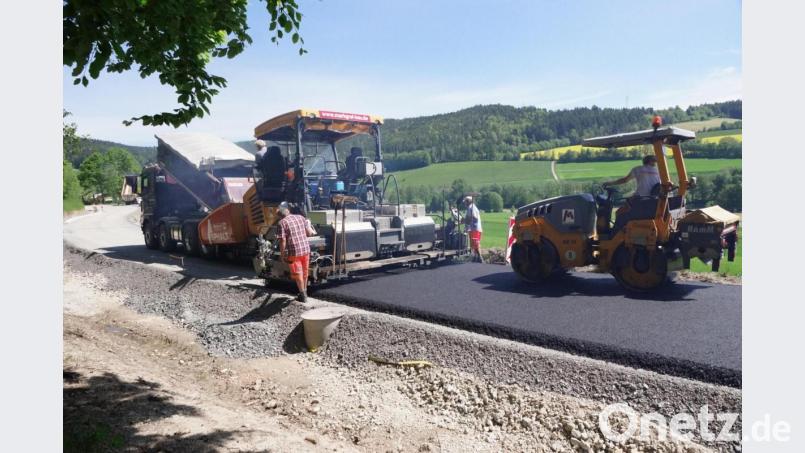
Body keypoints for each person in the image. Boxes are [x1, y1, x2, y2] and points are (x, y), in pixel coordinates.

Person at [276, 202, 316, 302]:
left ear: (279, 216)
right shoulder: (300, 217)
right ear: (288, 211)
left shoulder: (282, 223)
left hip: (294, 252)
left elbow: (282, 240)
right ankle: (305, 291)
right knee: (305, 272)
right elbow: (309, 233)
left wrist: (282, 254)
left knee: (298, 273)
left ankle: (302, 295)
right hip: (306, 249)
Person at [463, 196, 484, 263]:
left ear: (468, 201)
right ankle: (475, 258)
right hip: (475, 228)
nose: (465, 204)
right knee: (474, 243)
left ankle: (480, 258)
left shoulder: (470, 207)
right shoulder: (473, 207)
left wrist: (464, 220)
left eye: (465, 202)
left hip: (474, 228)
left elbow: (472, 218)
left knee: (475, 243)